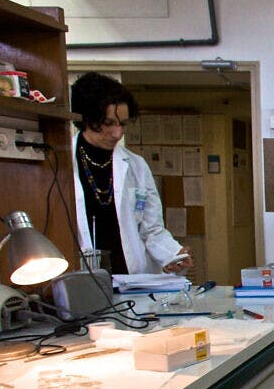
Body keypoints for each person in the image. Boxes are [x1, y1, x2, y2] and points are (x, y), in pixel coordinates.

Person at [70, 72, 193, 276]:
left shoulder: (136, 166)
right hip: (85, 280)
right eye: (108, 123)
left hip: (132, 282)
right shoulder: (62, 166)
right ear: (85, 118)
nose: (118, 134)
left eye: (123, 124)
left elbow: (151, 229)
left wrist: (173, 254)